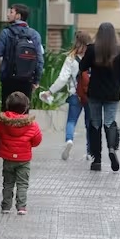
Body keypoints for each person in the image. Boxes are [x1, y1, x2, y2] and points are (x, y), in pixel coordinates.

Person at [78, 22, 120, 172]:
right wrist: (115, 84)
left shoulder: (92, 49)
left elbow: (82, 67)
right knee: (110, 122)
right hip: (112, 93)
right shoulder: (118, 50)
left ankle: (97, 159)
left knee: (95, 124)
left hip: (95, 92)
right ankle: (112, 149)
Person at [0, 91, 43, 215]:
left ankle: (6, 206)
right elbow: (37, 140)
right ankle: (21, 207)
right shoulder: (31, 124)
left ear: (8, 106)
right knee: (22, 183)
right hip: (24, 159)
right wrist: (28, 145)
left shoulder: (3, 121)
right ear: (25, 108)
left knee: (8, 182)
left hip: (8, 158)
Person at [40, 30, 92, 161]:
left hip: (75, 94)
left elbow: (63, 78)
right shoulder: (94, 56)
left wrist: (50, 91)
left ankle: (69, 140)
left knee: (71, 121)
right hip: (91, 95)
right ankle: (90, 151)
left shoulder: (71, 58)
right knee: (90, 124)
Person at [0, 4, 45, 109]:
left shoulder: (6, 33)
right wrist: (36, 81)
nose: (8, 15)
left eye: (11, 12)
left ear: (18, 16)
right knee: (23, 111)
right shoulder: (34, 34)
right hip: (27, 79)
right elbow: (39, 60)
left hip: (8, 78)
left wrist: (2, 68)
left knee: (7, 110)